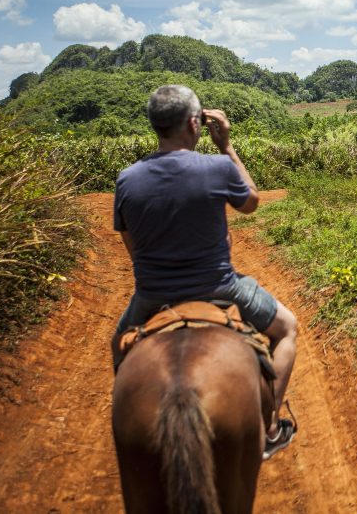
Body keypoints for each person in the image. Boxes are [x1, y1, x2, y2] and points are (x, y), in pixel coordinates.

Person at [113, 84, 297, 460]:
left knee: (118, 348)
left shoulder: (128, 179)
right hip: (221, 287)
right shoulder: (217, 166)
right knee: (288, 327)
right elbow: (252, 203)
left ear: (155, 125)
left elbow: (133, 248)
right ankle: (271, 426)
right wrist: (226, 146)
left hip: (152, 295)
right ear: (195, 123)